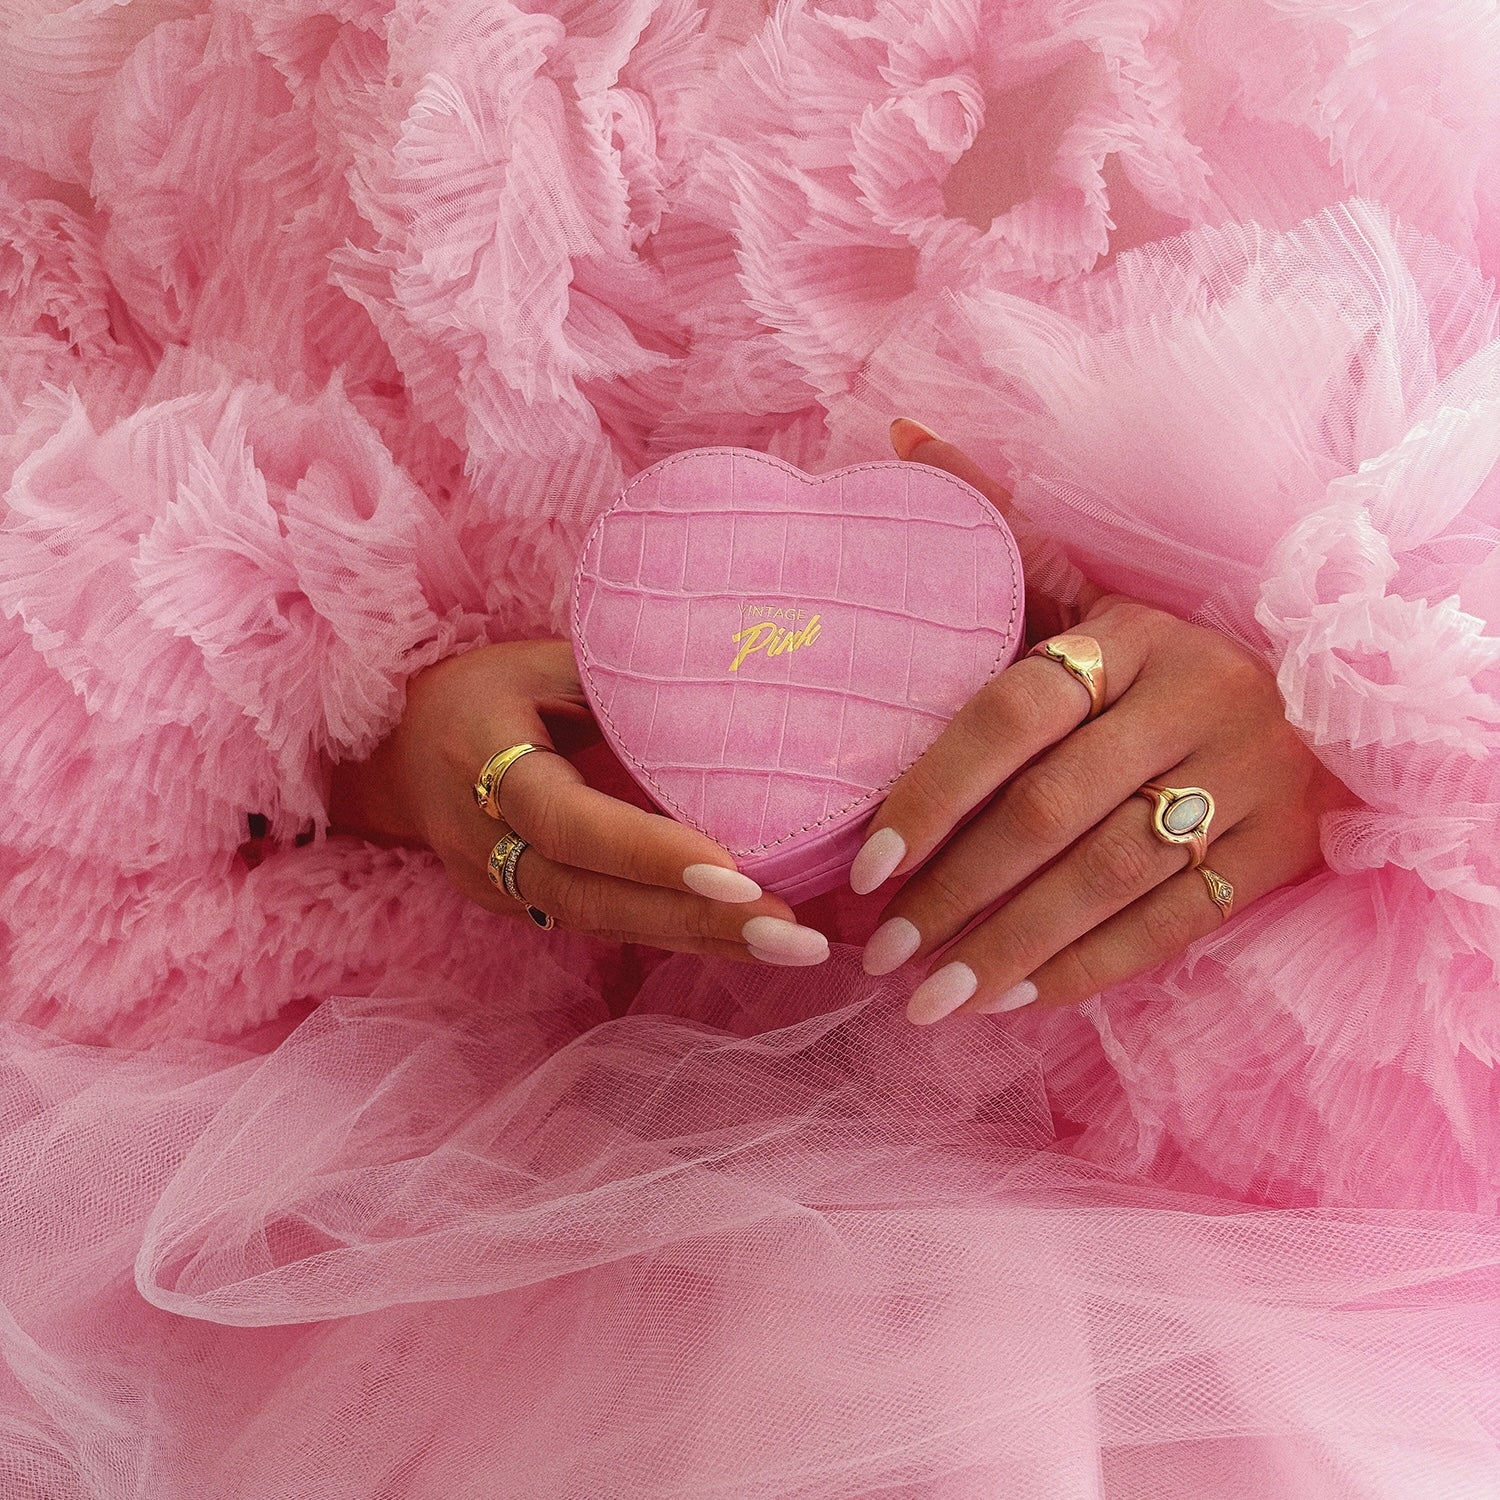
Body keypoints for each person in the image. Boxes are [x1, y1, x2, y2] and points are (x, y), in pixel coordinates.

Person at [0, 0, 1496, 1495]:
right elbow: (59, 467)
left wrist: (1345, 728)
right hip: (442, 1163)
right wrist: (373, 746)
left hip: (1184, 1223)